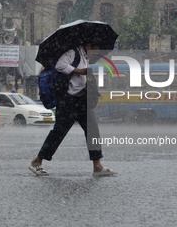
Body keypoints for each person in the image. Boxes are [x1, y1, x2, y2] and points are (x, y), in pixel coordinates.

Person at [29, 44, 117, 177]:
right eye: (95, 49)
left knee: (92, 130)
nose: (97, 53)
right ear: (88, 46)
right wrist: (79, 71)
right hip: (68, 101)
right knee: (58, 133)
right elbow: (60, 65)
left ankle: (97, 166)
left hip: (82, 100)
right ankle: (37, 161)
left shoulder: (85, 57)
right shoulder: (73, 52)